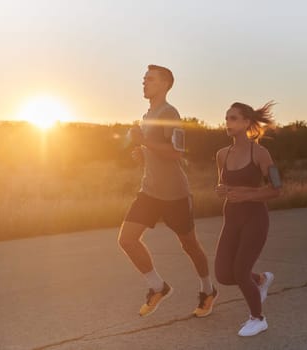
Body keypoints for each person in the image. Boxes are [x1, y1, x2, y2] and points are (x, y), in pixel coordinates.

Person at [118, 64, 217, 318]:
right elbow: (156, 150)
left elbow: (176, 153)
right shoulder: (148, 115)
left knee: (190, 245)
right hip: (149, 191)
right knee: (127, 239)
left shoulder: (170, 113)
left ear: (164, 84)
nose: (144, 83)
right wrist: (142, 153)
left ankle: (208, 289)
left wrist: (143, 142)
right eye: (143, 79)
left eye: (149, 79)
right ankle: (157, 286)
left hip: (175, 194)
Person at [214, 101, 281, 336]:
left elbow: (277, 188)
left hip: (255, 218)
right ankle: (260, 280)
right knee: (223, 274)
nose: (228, 123)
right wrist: (222, 190)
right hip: (231, 219)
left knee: (241, 272)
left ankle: (258, 318)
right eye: (226, 118)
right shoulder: (222, 154)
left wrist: (247, 194)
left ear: (245, 122)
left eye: (233, 118)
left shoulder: (261, 153)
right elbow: (222, 184)